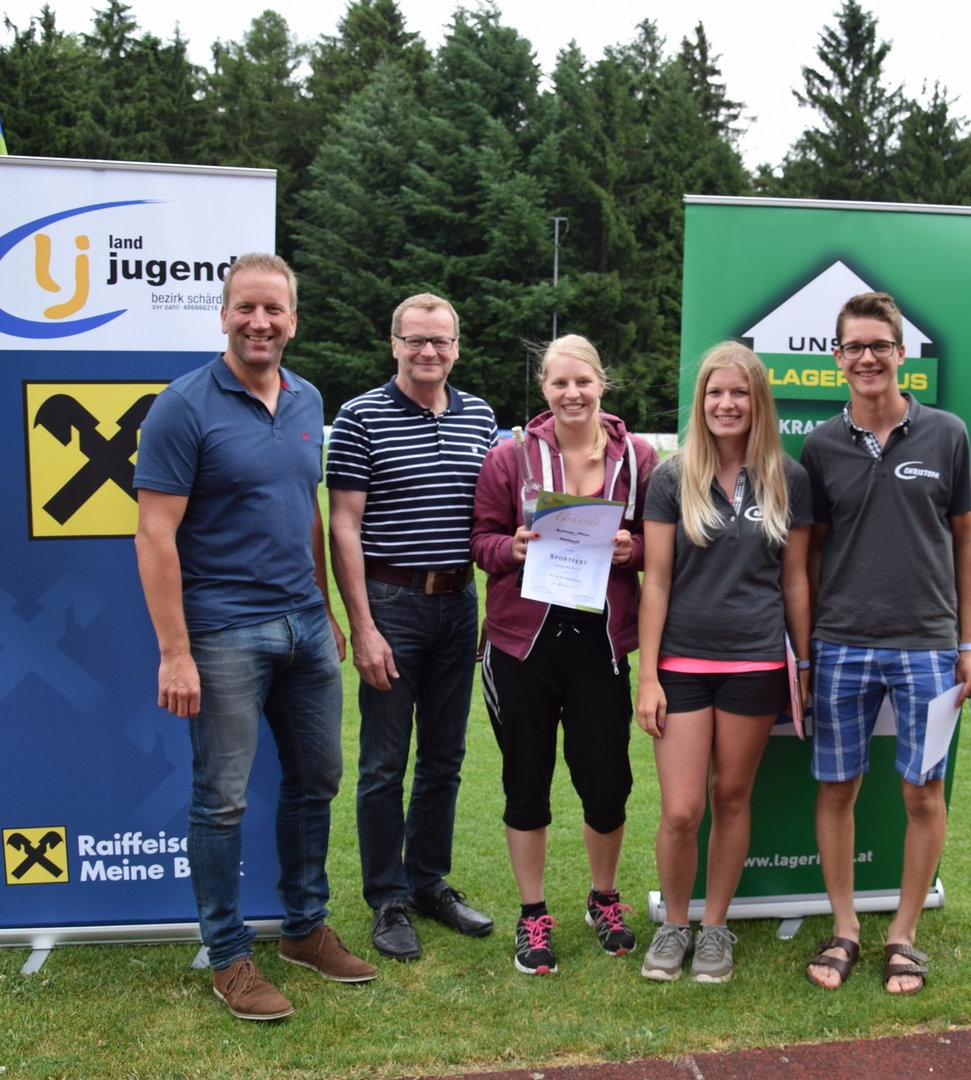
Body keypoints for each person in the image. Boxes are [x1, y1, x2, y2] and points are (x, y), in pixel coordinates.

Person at [133, 252, 376, 1022]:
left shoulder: (307, 397)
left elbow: (306, 512)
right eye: (246, 307)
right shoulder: (182, 407)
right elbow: (153, 534)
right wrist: (175, 651)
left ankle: (304, 928)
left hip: (305, 627)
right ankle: (229, 956)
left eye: (274, 309)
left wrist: (326, 609)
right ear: (223, 314)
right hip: (222, 633)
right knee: (222, 800)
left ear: (293, 320)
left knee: (317, 779)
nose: (259, 322)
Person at [801, 291, 971, 994]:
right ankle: (845, 927)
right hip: (840, 644)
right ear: (837, 358)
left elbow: (968, 541)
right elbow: (809, 555)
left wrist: (970, 643)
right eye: (855, 346)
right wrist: (805, 649)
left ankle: (904, 933)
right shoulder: (820, 446)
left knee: (923, 791)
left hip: (928, 647)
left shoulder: (947, 434)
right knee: (837, 788)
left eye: (880, 345)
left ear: (901, 354)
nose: (868, 358)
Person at [470, 335, 658, 976]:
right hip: (521, 643)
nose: (572, 393)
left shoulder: (638, 458)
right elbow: (481, 540)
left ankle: (603, 898)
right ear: (544, 389)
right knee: (526, 781)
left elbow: (660, 542)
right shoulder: (511, 456)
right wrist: (512, 549)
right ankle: (532, 914)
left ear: (602, 384)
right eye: (559, 383)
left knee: (606, 782)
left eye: (583, 381)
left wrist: (636, 550)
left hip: (599, 643)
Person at [634, 342, 813, 984]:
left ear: (758, 400)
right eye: (715, 392)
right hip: (681, 665)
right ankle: (675, 924)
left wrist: (804, 664)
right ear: (701, 401)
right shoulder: (670, 477)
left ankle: (715, 929)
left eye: (739, 392)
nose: (727, 404)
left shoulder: (788, 478)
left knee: (731, 796)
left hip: (757, 664)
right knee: (682, 809)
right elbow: (656, 581)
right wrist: (648, 675)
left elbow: (795, 580)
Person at [327, 293, 497, 961]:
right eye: (416, 340)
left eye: (440, 340)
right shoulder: (359, 416)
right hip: (391, 603)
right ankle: (387, 897)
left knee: (445, 758)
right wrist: (362, 626)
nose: (429, 351)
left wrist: (491, 606)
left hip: (459, 602)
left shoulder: (480, 416)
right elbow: (344, 524)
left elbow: (491, 520)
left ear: (456, 347)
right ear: (394, 343)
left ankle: (428, 883)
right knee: (383, 763)